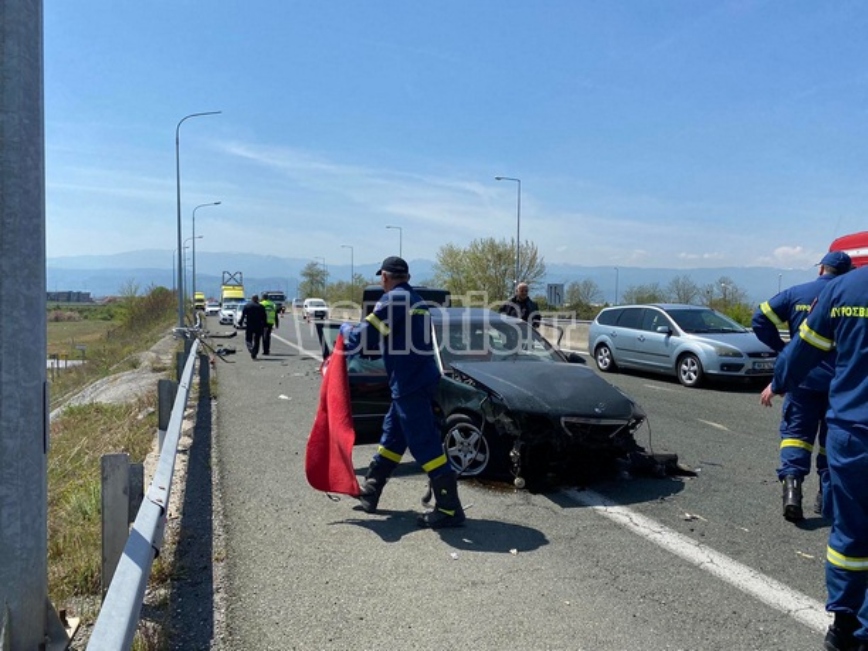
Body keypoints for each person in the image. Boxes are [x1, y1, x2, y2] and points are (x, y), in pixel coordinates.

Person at [764, 260, 868, 651]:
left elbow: (800, 350)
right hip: (847, 428)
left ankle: (842, 628)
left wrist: (778, 381)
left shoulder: (842, 291)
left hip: (851, 434)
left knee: (849, 533)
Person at [341, 255, 465, 528]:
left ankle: (449, 508)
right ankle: (371, 491)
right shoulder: (415, 300)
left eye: (380, 278)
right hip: (413, 380)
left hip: (410, 383)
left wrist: (345, 330)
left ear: (384, 276)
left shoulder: (393, 300)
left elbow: (365, 337)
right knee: (392, 437)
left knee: (424, 444)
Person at [753, 251, 853, 522]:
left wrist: (783, 348)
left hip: (803, 380)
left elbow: (760, 317)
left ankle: (792, 493)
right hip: (840, 386)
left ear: (822, 269)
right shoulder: (849, 296)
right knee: (830, 444)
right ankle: (827, 501)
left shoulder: (796, 293)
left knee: (796, 435)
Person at [239, 295, 267, 360]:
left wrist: (240, 322)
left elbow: (243, 315)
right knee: (257, 340)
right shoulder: (261, 307)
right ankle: (255, 353)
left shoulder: (247, 306)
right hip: (258, 325)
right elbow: (264, 317)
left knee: (248, 339)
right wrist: (265, 325)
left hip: (250, 325)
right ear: (257, 299)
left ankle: (251, 348)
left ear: (252, 299)